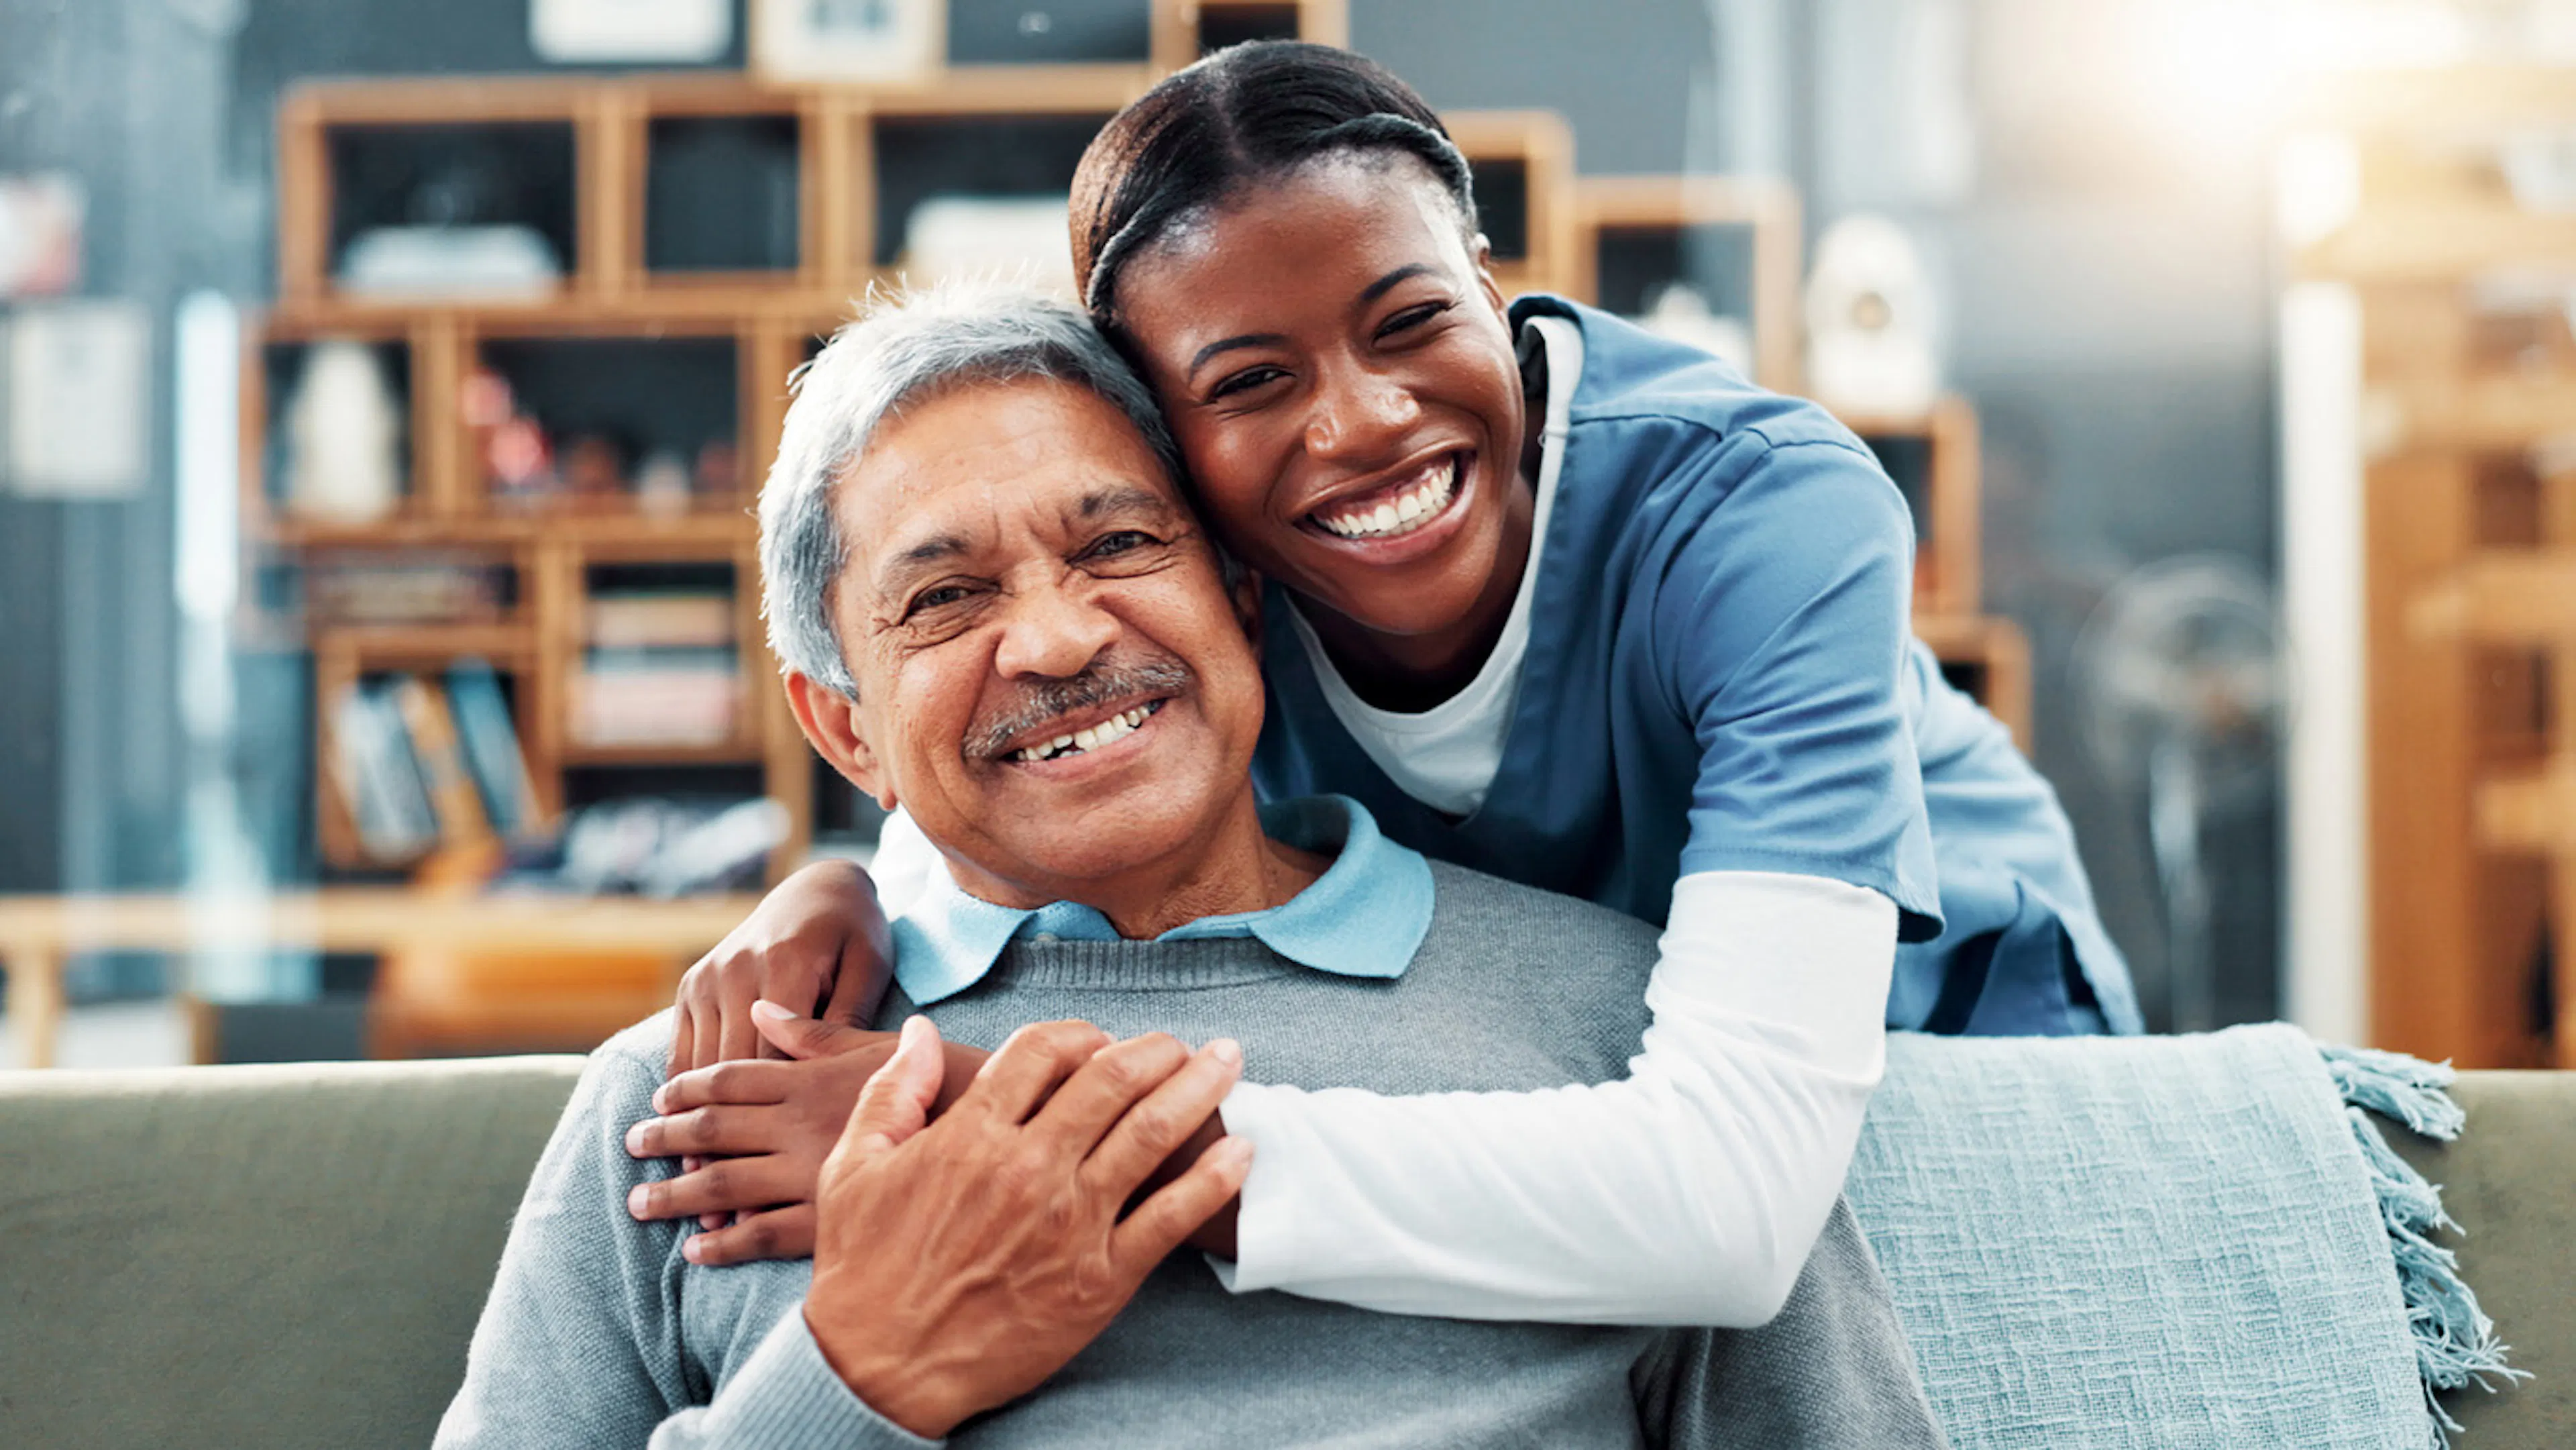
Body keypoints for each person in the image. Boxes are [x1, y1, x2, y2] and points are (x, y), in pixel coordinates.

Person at [643, 43, 2137, 1317]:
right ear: (1162, 442)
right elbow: (1033, 727)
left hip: (1910, 1036)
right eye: (1248, 381)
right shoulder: (1202, 573)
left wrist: (990, 1132)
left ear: (1490, 285)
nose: (1359, 425)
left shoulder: (1757, 515)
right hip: (1588, 1055)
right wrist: (851, 882)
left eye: (1410, 319)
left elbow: (1738, 1204)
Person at [435, 289, 1948, 1449]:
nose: (1059, 637)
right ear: (845, 732)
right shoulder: (694, 1100)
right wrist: (857, 1378)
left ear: (1239, 598)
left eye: (1117, 546)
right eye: (948, 596)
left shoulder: (1629, 1038)